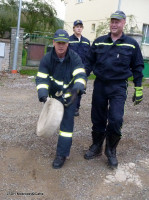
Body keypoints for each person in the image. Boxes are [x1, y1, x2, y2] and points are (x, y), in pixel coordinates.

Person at [84, 11, 144, 168]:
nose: (114, 24)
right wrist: (81, 79)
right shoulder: (99, 42)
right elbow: (88, 63)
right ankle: (96, 146)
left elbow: (138, 66)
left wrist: (138, 87)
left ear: (123, 23)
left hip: (118, 86)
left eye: (117, 21)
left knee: (116, 119)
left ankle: (111, 150)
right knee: (97, 117)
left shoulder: (131, 44)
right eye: (112, 21)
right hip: (100, 85)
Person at [36, 29, 87, 169]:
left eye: (63, 43)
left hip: (70, 95)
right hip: (53, 96)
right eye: (58, 42)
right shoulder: (47, 58)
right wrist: (43, 95)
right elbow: (41, 78)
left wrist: (77, 88)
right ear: (53, 42)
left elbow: (81, 75)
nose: (61, 46)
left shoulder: (75, 58)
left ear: (68, 44)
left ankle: (62, 154)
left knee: (66, 126)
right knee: (49, 120)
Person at [69, 20, 90, 116]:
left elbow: (89, 56)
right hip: (71, 69)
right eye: (77, 26)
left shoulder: (86, 42)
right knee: (71, 87)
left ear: (82, 28)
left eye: (80, 27)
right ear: (73, 28)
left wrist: (87, 70)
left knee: (80, 89)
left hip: (82, 70)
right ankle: (70, 106)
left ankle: (76, 107)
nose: (79, 28)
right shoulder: (68, 40)